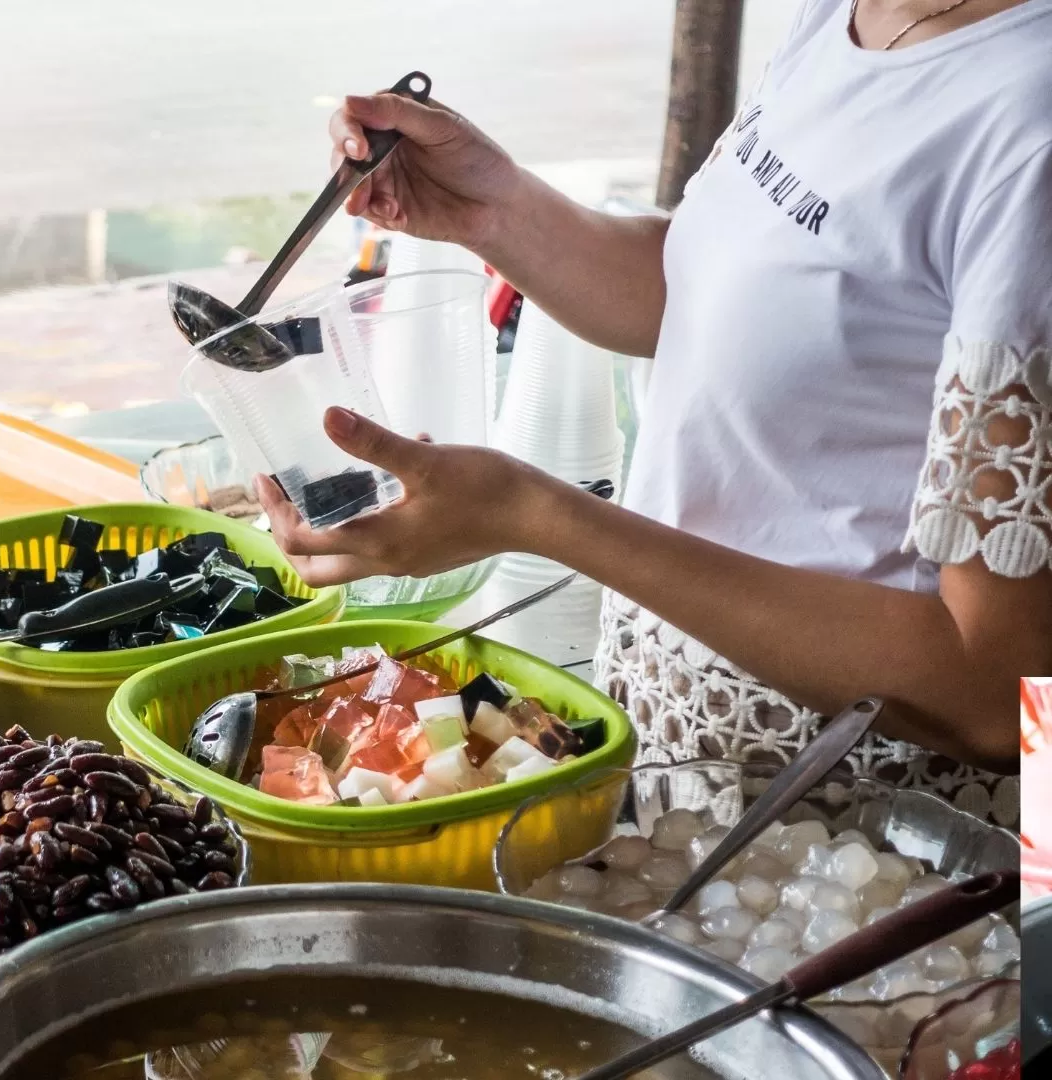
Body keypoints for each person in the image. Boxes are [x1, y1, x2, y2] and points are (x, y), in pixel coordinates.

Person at [257, 0, 1052, 827]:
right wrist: (490, 207)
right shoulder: (850, 13)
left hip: (880, 839)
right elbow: (716, 305)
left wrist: (536, 515)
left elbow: (995, 696)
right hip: (691, 783)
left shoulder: (1029, 127)